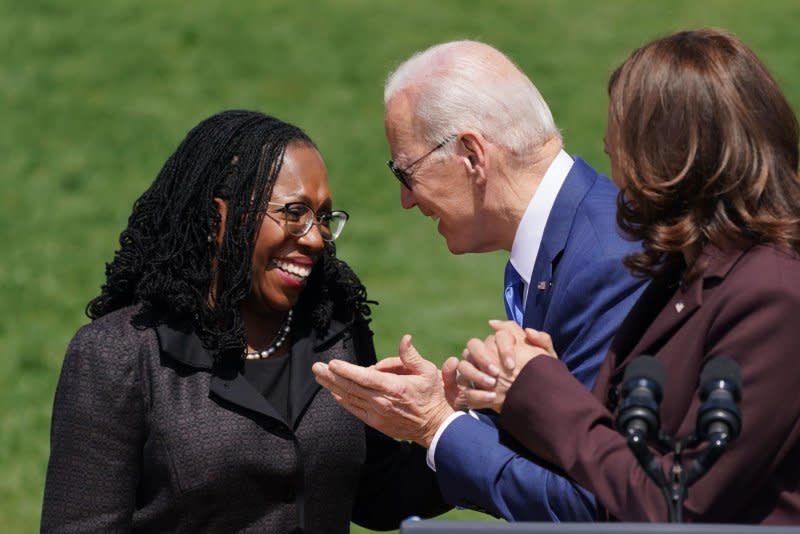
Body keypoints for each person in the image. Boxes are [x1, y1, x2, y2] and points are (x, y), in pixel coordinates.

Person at [41, 110, 449, 533]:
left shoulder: (336, 336)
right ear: (220, 217)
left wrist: (458, 426)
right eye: (294, 212)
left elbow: (377, 491)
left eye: (324, 219)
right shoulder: (119, 355)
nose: (314, 237)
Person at [459, 29, 800, 523]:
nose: (612, 163)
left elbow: (673, 503)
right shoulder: (685, 273)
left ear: (674, 157)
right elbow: (622, 455)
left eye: (623, 143)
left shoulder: (774, 297)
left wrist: (540, 389)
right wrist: (528, 388)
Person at [312, 41, 646, 521]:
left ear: (472, 154)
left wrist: (438, 426)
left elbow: (595, 507)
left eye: (404, 172)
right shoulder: (567, 242)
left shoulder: (606, 265)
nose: (406, 201)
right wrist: (473, 409)